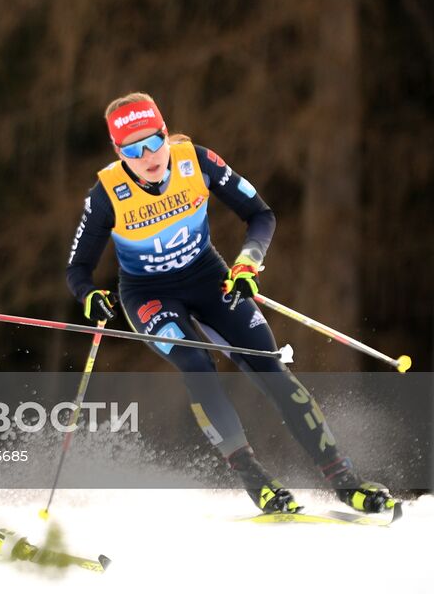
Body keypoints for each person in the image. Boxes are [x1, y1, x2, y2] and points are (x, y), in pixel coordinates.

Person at [66, 92, 394, 515]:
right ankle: (255, 479)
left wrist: (247, 263)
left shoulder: (197, 162)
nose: (148, 155)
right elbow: (78, 268)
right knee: (198, 364)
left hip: (210, 279)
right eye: (133, 148)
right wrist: (89, 295)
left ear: (166, 134)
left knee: (269, 366)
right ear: (118, 151)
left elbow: (261, 215)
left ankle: (345, 481)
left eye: (154, 141)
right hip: (148, 296)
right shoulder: (106, 193)